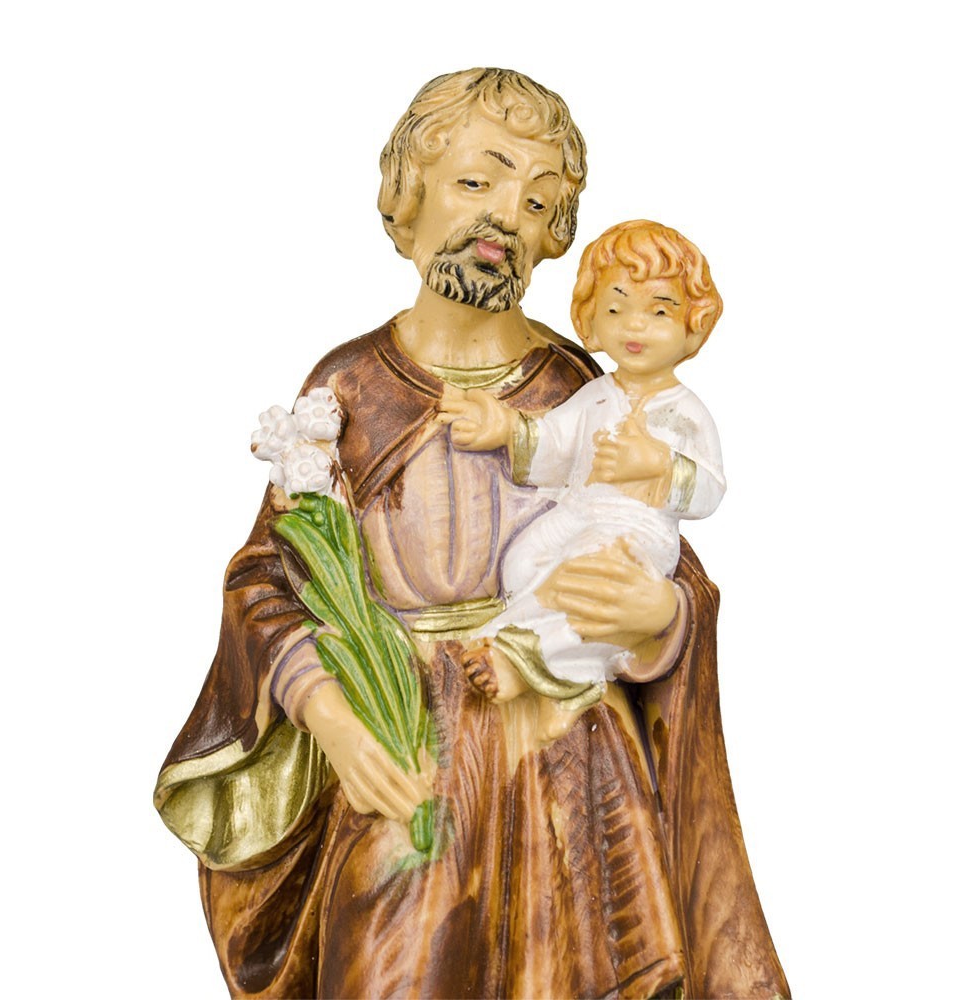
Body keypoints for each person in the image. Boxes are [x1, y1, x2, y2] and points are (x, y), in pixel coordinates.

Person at [155, 68, 789, 999]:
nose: (502, 217)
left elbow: (657, 548)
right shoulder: (350, 388)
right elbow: (269, 581)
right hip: (405, 748)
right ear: (408, 198)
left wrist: (661, 618)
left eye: (535, 202)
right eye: (476, 181)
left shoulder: (580, 388)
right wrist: (331, 718)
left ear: (553, 236)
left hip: (567, 758)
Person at [439, 220, 726, 743]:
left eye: (659, 312)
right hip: (580, 511)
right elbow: (554, 443)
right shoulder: (596, 395)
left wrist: (661, 463)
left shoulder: (685, 412)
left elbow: (709, 491)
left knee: (589, 583)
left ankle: (518, 656)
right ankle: (561, 669)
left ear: (694, 325)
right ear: (591, 318)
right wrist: (506, 429)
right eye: (616, 309)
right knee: (523, 562)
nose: (634, 326)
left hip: (634, 531)